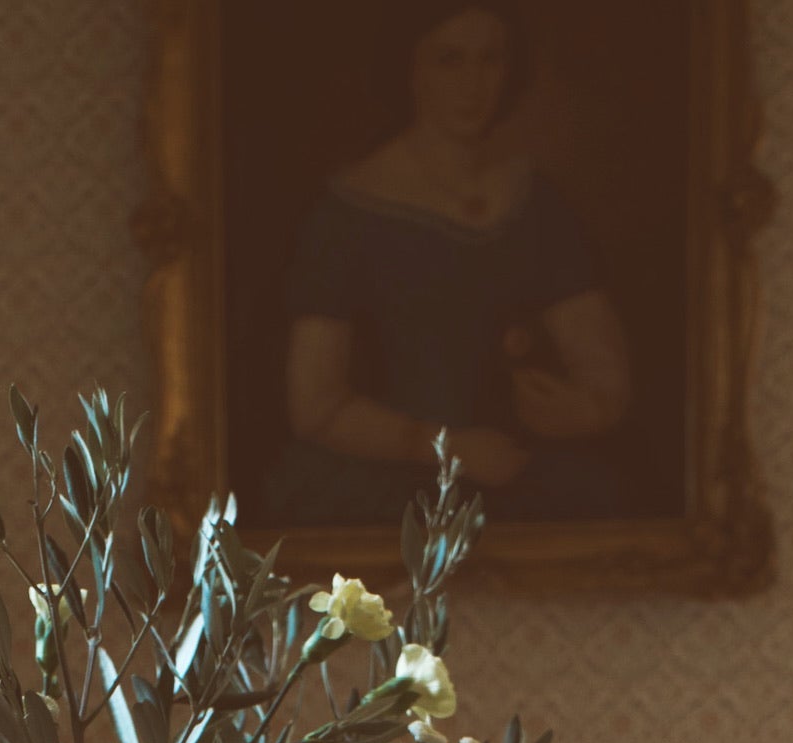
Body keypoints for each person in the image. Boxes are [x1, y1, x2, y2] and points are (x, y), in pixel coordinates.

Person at [267, 1, 632, 524]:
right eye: (450, 60)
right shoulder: (346, 213)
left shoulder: (535, 201)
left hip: (519, 466)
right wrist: (445, 446)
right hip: (387, 478)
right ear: (409, 69)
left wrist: (583, 408)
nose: (473, 83)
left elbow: (600, 367)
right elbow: (315, 405)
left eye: (490, 60)